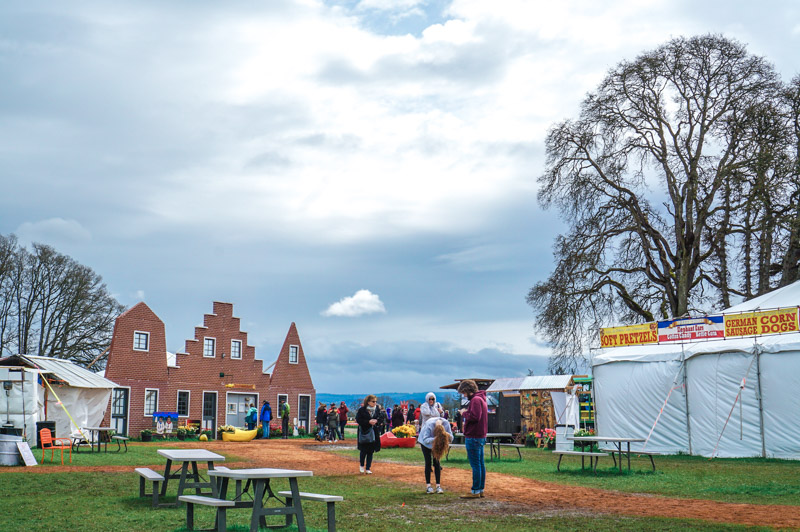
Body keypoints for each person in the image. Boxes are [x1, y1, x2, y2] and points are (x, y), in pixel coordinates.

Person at [458, 379, 487, 499]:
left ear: (468, 390)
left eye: (464, 393)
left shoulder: (475, 400)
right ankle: (480, 489)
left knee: (475, 465)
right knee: (480, 464)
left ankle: (475, 490)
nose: (464, 395)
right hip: (480, 436)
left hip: (474, 436)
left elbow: (474, 417)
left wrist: (464, 413)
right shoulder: (481, 399)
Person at [417, 417, 453, 494]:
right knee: (428, 462)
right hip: (425, 444)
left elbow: (451, 438)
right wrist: (436, 438)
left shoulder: (446, 423)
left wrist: (447, 435)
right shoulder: (430, 425)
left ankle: (438, 486)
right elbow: (426, 440)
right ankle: (428, 486)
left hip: (437, 444)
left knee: (437, 463)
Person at [355, 394, 382, 474]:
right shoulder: (362, 410)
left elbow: (381, 418)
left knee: (371, 451)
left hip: (374, 432)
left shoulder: (377, 410)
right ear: (368, 402)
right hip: (364, 431)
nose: (375, 403)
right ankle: (362, 465)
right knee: (363, 450)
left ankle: (368, 468)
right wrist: (368, 422)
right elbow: (358, 420)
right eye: (373, 401)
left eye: (376, 402)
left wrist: (377, 421)